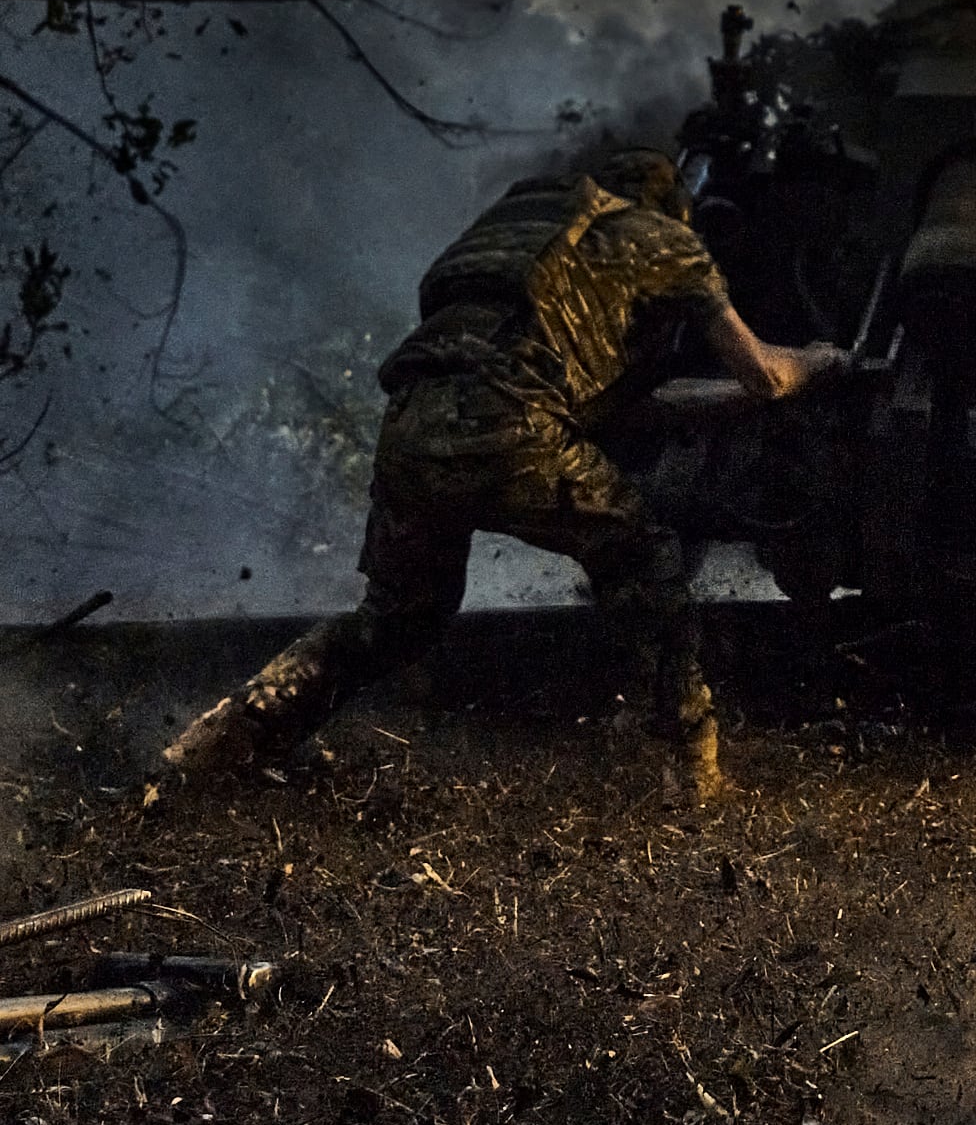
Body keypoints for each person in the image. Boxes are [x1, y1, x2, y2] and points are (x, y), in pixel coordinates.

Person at [159, 149, 840, 802]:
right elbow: (765, 375)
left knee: (394, 618)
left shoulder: (520, 243)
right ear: (669, 203)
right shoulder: (664, 241)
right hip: (515, 430)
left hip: (412, 424)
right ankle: (695, 777)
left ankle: (222, 743)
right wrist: (821, 360)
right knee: (646, 560)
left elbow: (604, 400)